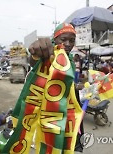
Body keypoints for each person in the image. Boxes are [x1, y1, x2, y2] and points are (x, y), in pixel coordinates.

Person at [28, 23, 84, 152]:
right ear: (55, 40)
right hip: (53, 111)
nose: (68, 44)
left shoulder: (70, 59)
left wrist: (76, 86)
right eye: (63, 40)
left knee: (69, 141)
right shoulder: (51, 57)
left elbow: (66, 82)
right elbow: (35, 62)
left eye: (72, 40)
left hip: (70, 108)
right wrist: (36, 54)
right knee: (52, 144)